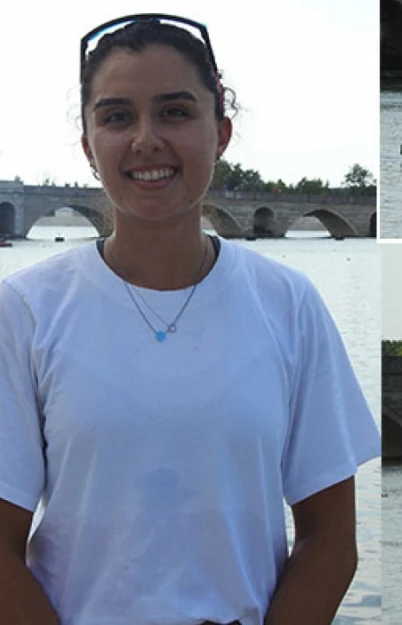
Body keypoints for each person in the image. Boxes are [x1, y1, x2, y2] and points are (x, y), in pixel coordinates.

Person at [0, 15, 380, 624]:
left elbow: (330, 540)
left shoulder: (290, 305)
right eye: (117, 116)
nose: (146, 139)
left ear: (221, 132)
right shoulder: (23, 312)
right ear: (88, 146)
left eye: (175, 112)